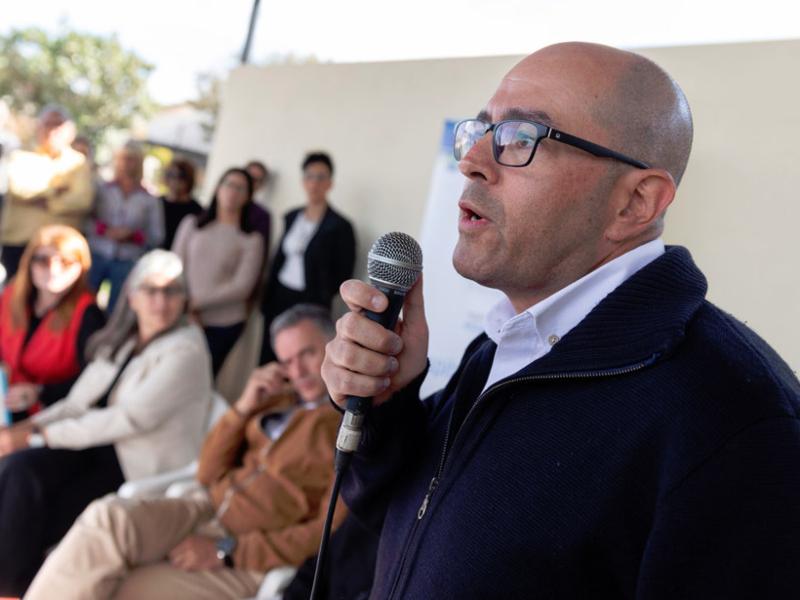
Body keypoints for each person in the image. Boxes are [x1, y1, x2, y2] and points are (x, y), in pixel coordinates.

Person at [320, 42, 800, 599]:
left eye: (521, 137)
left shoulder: (739, 423)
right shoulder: (504, 346)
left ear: (636, 203)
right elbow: (407, 527)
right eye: (482, 129)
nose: (472, 159)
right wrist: (385, 407)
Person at [26, 303, 345, 600]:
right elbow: (207, 471)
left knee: (122, 589)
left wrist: (228, 549)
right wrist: (245, 405)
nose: (298, 370)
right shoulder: (277, 399)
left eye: (307, 354)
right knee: (108, 516)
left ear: (333, 348)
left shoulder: (347, 430)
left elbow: (326, 531)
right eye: (287, 361)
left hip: (250, 554)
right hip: (203, 507)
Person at [0, 249, 212, 596]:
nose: (161, 301)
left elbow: (128, 419)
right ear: (132, 297)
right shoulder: (126, 341)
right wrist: (26, 430)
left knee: (27, 487)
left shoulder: (187, 349)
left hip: (136, 463)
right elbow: (77, 403)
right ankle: (18, 581)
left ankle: (14, 585)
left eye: (171, 291)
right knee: (18, 472)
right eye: (151, 290)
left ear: (184, 299)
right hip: (99, 446)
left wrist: (37, 436)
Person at [0, 225, 105, 422]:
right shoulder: (11, 297)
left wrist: (40, 392)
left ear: (81, 267)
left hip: (54, 418)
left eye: (65, 261)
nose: (54, 270)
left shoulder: (88, 314)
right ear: (29, 263)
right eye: (43, 260)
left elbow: (94, 380)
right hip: (5, 405)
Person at [260, 152, 355, 364]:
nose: (315, 183)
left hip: (310, 302)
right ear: (303, 181)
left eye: (321, 177)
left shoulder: (340, 226)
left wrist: (319, 295)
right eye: (310, 176)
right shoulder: (292, 216)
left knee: (300, 362)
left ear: (330, 182)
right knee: (268, 357)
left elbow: (343, 273)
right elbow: (279, 258)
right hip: (280, 296)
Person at [172, 167, 264, 376]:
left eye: (241, 188)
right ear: (218, 188)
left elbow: (242, 287)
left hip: (223, 324)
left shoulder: (251, 239)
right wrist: (185, 303)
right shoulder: (192, 224)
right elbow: (175, 265)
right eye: (229, 184)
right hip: (183, 314)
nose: (233, 192)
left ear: (248, 197)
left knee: (201, 379)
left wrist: (196, 303)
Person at [0, 105, 93, 278]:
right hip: (19, 241)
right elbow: (19, 188)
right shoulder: (20, 156)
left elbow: (81, 200)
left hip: (60, 247)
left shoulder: (78, 163)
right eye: (48, 124)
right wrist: (57, 190)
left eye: (58, 125)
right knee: (13, 297)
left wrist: (47, 202)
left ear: (70, 131)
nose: (52, 130)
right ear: (39, 127)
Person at [88, 141, 164, 312]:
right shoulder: (103, 189)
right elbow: (87, 219)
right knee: (85, 302)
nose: (127, 163)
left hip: (126, 259)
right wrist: (105, 231)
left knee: (116, 309)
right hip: (98, 253)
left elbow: (156, 235)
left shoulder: (149, 199)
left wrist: (132, 236)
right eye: (124, 158)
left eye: (132, 159)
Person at [159, 158, 203, 250]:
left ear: (189, 179)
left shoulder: (197, 211)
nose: (175, 180)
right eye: (171, 175)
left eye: (181, 176)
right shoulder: (156, 203)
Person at [245, 159, 273, 251]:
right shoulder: (221, 204)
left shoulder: (262, 216)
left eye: (257, 180)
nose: (251, 182)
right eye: (249, 177)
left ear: (261, 185)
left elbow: (260, 250)